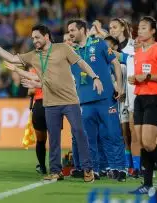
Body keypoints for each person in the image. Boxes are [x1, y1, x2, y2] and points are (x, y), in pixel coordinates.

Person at [0, 24, 103, 182]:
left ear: (46, 36)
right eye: (33, 38)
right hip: (50, 102)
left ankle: (88, 169)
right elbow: (12, 58)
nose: (34, 41)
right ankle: (55, 171)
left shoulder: (63, 48)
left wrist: (95, 77)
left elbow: (81, 63)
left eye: (37, 37)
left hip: (70, 101)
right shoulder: (33, 55)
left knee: (79, 132)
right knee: (53, 138)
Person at [67, 19, 126, 181]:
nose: (70, 33)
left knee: (112, 134)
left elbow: (114, 62)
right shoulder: (71, 52)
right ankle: (95, 169)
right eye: (69, 31)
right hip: (84, 101)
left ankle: (119, 168)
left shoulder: (99, 43)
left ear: (82, 30)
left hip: (105, 98)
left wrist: (119, 86)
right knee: (89, 139)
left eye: (72, 30)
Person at [129, 16, 157, 194]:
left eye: (144, 28)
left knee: (148, 142)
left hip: (155, 99)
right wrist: (134, 80)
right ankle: (147, 185)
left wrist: (146, 77)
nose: (140, 30)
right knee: (141, 143)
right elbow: (140, 77)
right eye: (139, 27)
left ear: (153, 31)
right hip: (139, 98)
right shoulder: (138, 52)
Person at [109, 18, 137, 176]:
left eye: (114, 27)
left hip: (132, 93)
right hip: (119, 95)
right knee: (123, 132)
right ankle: (128, 164)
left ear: (122, 28)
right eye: (110, 27)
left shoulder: (132, 46)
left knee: (134, 131)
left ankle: (140, 163)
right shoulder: (111, 46)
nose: (111, 30)